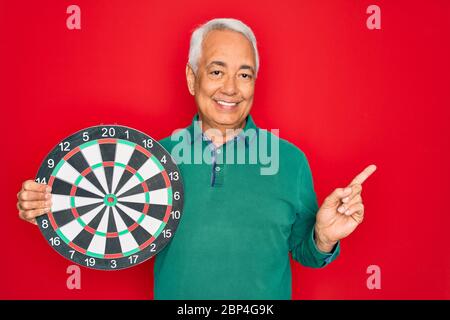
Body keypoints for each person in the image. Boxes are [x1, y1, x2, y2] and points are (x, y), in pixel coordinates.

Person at [16, 18, 376, 299]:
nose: (231, 88)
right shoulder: (145, 161)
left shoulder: (290, 161)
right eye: (217, 71)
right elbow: (104, 217)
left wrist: (324, 237)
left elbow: (305, 252)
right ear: (192, 78)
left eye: (244, 74)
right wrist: (53, 210)